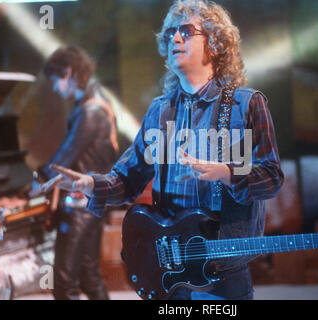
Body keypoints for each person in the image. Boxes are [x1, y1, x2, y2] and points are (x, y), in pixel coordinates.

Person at [41, 0, 284, 300]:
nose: (175, 39)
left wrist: (228, 174)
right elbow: (126, 180)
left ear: (216, 44)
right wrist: (89, 184)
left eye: (186, 31)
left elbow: (271, 177)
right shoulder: (160, 112)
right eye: (170, 33)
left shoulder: (246, 105)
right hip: (170, 272)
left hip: (223, 275)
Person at [31, 46, 119, 300]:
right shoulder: (100, 103)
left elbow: (62, 160)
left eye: (56, 81)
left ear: (68, 72)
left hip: (79, 206)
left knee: (64, 283)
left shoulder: (90, 112)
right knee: (89, 276)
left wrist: (30, 186)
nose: (57, 89)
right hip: (94, 205)